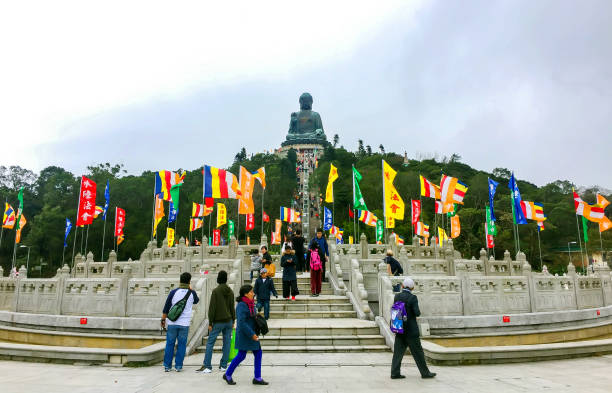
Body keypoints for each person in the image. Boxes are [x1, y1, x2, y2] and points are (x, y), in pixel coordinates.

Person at [391, 277, 436, 380]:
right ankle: (425, 373)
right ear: (412, 288)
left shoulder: (397, 296)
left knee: (398, 353)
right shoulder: (413, 298)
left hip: (400, 329)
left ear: (402, 286)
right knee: (418, 353)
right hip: (411, 331)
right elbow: (417, 313)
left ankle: (394, 373)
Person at [223, 285, 268, 386]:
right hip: (245, 334)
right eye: (251, 292)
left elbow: (252, 317)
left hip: (252, 333)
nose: (253, 293)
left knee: (258, 353)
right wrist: (252, 334)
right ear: (246, 294)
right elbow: (242, 323)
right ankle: (228, 374)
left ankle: (257, 377)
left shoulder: (251, 303)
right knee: (241, 355)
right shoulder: (241, 305)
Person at [197, 270, 235, 374]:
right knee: (227, 343)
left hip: (218, 322)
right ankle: (223, 365)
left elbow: (212, 308)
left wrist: (210, 323)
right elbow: (232, 307)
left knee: (210, 343)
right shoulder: (230, 291)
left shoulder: (216, 291)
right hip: (228, 321)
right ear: (226, 279)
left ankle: (208, 366)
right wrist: (233, 321)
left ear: (218, 278)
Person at [161, 272, 200, 372]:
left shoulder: (173, 292)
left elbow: (166, 307)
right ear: (189, 281)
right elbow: (196, 301)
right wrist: (191, 289)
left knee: (170, 344)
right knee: (182, 345)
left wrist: (163, 319)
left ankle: (167, 366)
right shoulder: (192, 293)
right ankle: (178, 366)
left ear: (180, 280)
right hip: (184, 324)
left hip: (172, 323)